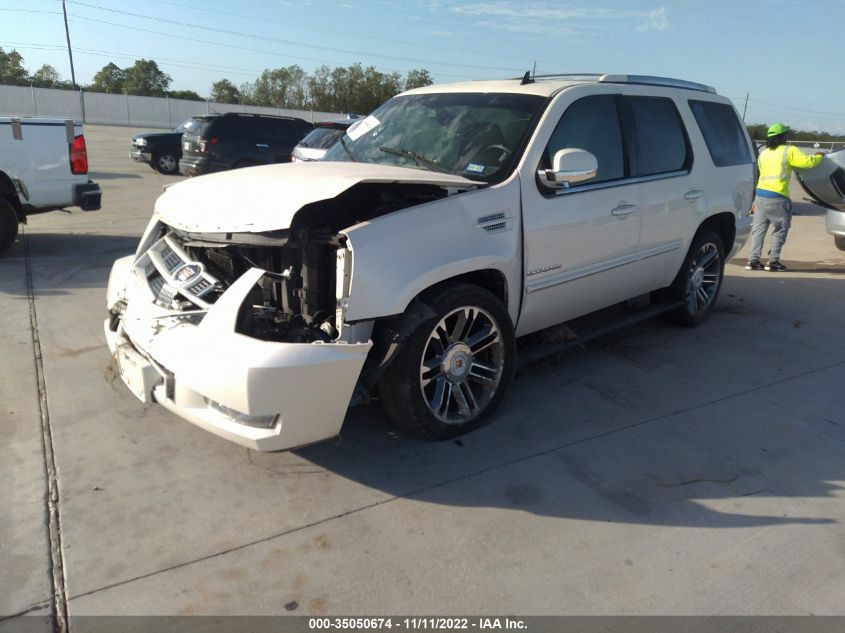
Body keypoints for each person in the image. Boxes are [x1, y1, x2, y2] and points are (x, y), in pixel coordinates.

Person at [746, 123, 824, 272]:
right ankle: (773, 261)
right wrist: (819, 157)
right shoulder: (789, 151)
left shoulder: (764, 153)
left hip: (761, 196)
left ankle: (753, 260)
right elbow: (806, 163)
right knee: (780, 229)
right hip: (778, 196)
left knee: (759, 230)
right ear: (782, 137)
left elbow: (760, 173)